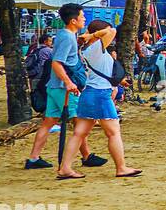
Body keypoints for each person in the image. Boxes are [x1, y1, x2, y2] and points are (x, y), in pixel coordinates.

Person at [56, 20, 141, 179]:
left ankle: (65, 168)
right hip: (100, 94)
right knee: (113, 132)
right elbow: (113, 31)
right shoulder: (95, 47)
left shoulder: (86, 48)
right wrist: (94, 34)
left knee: (79, 133)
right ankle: (121, 167)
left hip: (89, 93)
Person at [24, 4, 104, 172]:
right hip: (63, 88)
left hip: (54, 86)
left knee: (48, 122)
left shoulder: (65, 34)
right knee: (79, 121)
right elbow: (57, 62)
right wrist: (68, 82)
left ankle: (33, 158)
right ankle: (86, 156)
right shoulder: (67, 37)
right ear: (73, 20)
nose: (84, 19)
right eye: (82, 16)